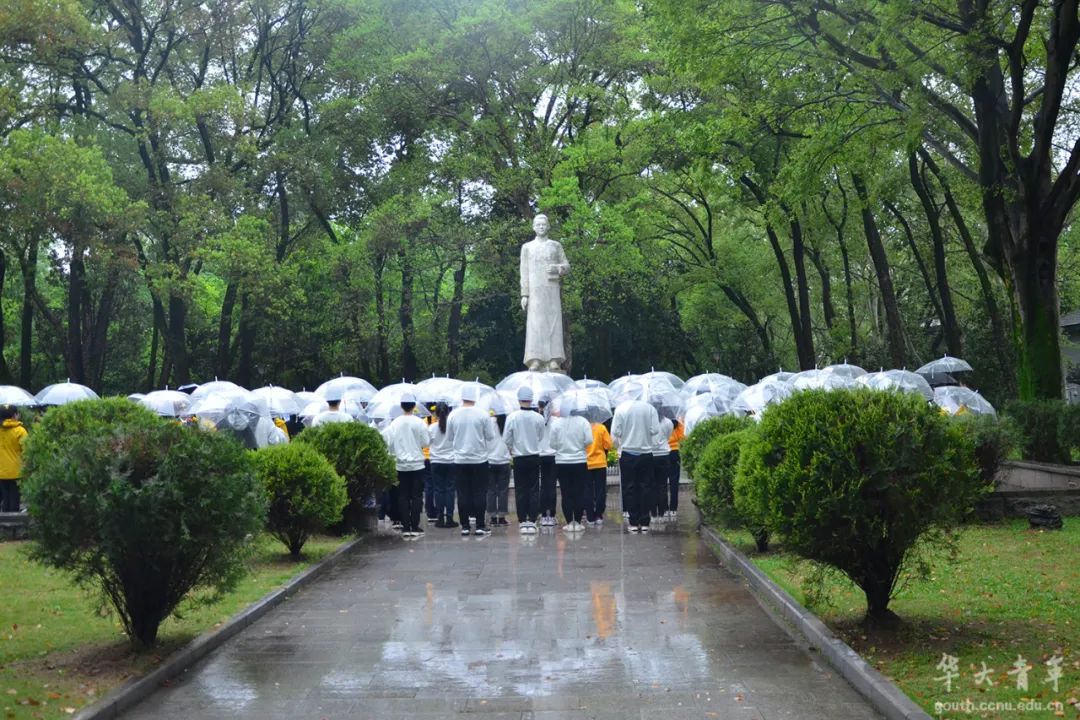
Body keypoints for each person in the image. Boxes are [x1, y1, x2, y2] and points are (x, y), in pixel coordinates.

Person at [520, 214, 570, 371]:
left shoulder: (555, 246)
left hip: (552, 290)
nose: (541, 227)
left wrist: (557, 268)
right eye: (538, 224)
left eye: (543, 224)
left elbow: (567, 266)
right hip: (535, 292)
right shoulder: (527, 247)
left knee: (554, 323)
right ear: (534, 227)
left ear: (548, 226)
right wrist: (524, 294)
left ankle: (554, 359)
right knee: (535, 324)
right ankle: (535, 359)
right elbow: (524, 271)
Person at [447, 384, 497, 536]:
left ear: (462, 397)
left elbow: (450, 437)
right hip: (479, 459)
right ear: (475, 397)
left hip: (460, 460)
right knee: (479, 492)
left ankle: (465, 526)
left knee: (462, 493)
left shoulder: (453, 415)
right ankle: (480, 525)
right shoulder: (482, 415)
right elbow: (490, 436)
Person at [380, 393, 430, 538]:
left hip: (400, 465)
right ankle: (415, 526)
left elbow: (385, 440)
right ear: (414, 406)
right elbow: (426, 442)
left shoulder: (394, 423)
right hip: (417, 465)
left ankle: (405, 526)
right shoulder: (420, 422)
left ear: (401, 407)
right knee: (417, 496)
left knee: (402, 496)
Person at [611, 397, 660, 533]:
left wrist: (620, 441)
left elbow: (616, 432)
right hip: (645, 453)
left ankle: (633, 522)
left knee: (629, 488)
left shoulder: (621, 409)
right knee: (646, 487)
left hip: (627, 453)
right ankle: (645, 522)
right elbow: (655, 430)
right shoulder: (650, 409)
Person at [504, 386, 545, 534]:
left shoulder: (512, 417)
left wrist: (512, 447)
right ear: (531, 399)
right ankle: (533, 519)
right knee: (534, 488)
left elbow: (507, 439)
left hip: (519, 457)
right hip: (534, 456)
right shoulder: (539, 418)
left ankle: (522, 519)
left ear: (519, 399)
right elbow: (541, 436)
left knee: (520, 489)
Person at [549, 405, 593, 533]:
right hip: (579, 461)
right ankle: (578, 522)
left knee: (566, 493)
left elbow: (552, 444)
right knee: (579, 492)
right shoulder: (583, 422)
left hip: (562, 462)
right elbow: (589, 440)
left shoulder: (556, 424)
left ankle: (569, 522)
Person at [427, 401, 458, 528]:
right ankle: (450, 518)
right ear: (448, 412)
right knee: (450, 490)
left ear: (435, 413)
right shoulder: (453, 427)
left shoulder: (432, 427)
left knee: (438, 490)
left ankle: (440, 518)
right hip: (451, 461)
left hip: (436, 462)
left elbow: (426, 443)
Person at [585, 419, 613, 525]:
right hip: (600, 463)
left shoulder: (583, 427)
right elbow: (609, 445)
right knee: (600, 489)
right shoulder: (601, 428)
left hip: (586, 463)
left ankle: (590, 516)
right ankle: (599, 515)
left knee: (587, 490)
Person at [0, 405, 27, 513]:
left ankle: (4, 523)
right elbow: (27, 450)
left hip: (1, 472)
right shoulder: (20, 431)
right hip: (17, 472)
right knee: (15, 498)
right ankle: (14, 525)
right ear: (14, 416)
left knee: (5, 498)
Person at [486, 412, 511, 526]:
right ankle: (501, 517)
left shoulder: (488, 421)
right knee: (503, 490)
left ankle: (492, 517)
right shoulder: (507, 422)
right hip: (504, 461)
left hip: (489, 460)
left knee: (491, 490)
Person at [537, 398, 558, 527]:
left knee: (542, 486)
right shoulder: (556, 421)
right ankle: (552, 514)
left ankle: (543, 514)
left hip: (539, 455)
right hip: (553, 456)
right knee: (551, 486)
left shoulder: (536, 420)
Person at [651, 412, 674, 523]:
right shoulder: (668, 422)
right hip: (664, 455)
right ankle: (662, 511)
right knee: (663, 485)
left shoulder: (648, 421)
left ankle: (653, 512)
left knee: (651, 485)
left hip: (650, 455)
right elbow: (669, 436)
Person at [666, 419, 685, 519]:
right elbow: (683, 436)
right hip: (674, 452)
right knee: (674, 482)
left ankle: (663, 508)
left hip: (663, 452)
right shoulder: (677, 421)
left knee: (662, 483)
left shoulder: (659, 419)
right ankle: (673, 509)